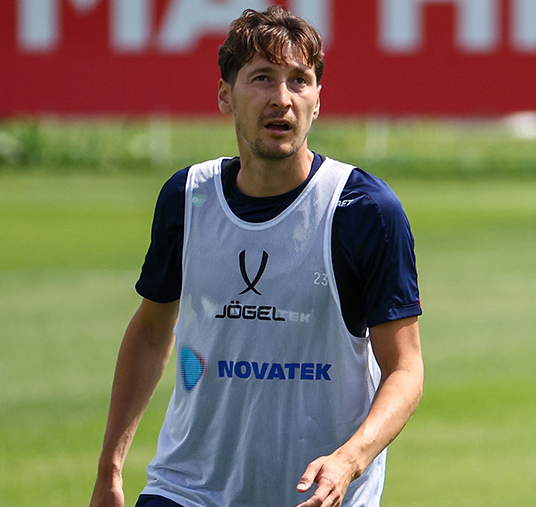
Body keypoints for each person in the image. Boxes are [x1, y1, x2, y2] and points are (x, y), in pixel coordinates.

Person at [89, 6, 424, 507]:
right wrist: (110, 469)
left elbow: (405, 369)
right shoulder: (188, 197)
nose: (281, 99)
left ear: (318, 100)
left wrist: (349, 460)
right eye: (262, 78)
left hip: (316, 496)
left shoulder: (363, 210)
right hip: (187, 490)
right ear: (225, 95)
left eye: (299, 80)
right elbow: (152, 330)